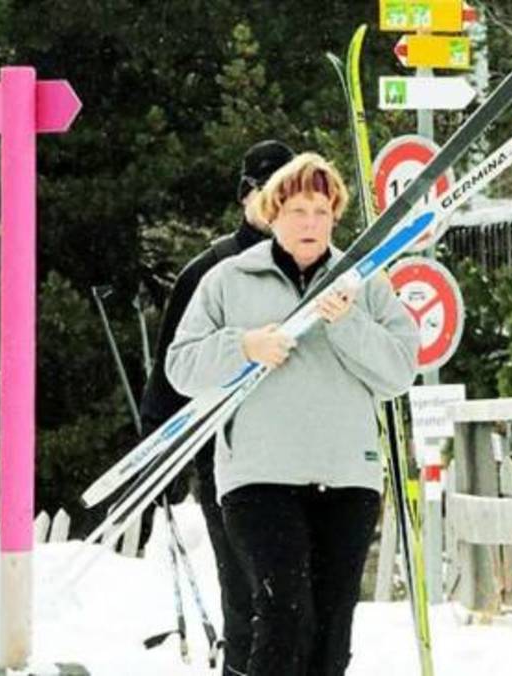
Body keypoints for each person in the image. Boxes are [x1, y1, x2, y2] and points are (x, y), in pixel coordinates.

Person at [165, 152, 419, 675]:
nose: (310, 223)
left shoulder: (364, 282)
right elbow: (181, 367)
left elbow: (398, 371)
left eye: (321, 212)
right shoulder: (227, 280)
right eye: (298, 210)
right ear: (272, 213)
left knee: (331, 626)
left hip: (348, 476)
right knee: (285, 612)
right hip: (259, 476)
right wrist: (244, 346)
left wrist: (347, 322)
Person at [139, 139, 294, 675]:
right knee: (251, 601)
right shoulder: (211, 272)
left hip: (306, 458)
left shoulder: (316, 267)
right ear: (246, 196)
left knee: (302, 607)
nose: (280, 207)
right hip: (229, 462)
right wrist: (157, 457)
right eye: (270, 194)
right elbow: (170, 374)